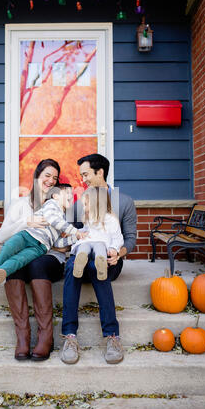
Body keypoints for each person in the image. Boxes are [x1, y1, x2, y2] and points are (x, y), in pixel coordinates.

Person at [0, 159, 70, 362]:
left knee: (36, 263)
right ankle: (23, 337)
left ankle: (46, 337)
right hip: (23, 256)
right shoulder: (19, 205)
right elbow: (2, 236)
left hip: (49, 258)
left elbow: (66, 243)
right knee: (15, 268)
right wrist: (26, 223)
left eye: (55, 177)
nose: (50, 180)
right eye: (47, 175)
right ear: (37, 176)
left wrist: (46, 241)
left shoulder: (62, 204)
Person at [61, 153, 137, 365]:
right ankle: (69, 336)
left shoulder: (124, 201)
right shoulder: (82, 201)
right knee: (71, 266)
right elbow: (69, 230)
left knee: (97, 266)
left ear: (100, 172)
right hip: (82, 258)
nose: (83, 179)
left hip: (109, 259)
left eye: (85, 174)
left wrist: (117, 253)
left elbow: (130, 239)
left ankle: (112, 336)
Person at [0, 184, 86, 292]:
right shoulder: (51, 205)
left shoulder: (64, 221)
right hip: (28, 235)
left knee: (20, 260)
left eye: (72, 195)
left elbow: (57, 243)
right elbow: (53, 220)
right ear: (55, 195)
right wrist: (75, 232)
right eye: (67, 193)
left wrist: (75, 238)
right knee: (9, 246)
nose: (71, 196)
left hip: (41, 247)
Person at [72, 186, 124, 281]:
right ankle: (80, 262)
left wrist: (114, 248)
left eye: (85, 204)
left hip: (101, 245)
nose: (83, 208)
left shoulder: (110, 219)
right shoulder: (88, 218)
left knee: (100, 247)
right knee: (83, 246)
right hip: (88, 242)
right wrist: (78, 233)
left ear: (96, 204)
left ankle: (101, 266)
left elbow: (118, 237)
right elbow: (86, 229)